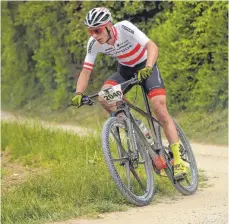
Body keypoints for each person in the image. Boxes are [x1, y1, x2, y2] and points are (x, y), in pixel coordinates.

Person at [72, 7, 186, 179]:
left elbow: (151, 46)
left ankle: (178, 159)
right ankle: (134, 124)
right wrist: (79, 92)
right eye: (91, 31)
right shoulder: (93, 43)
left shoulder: (124, 27)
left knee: (159, 109)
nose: (94, 35)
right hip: (125, 71)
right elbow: (86, 71)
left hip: (146, 67)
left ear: (109, 26)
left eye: (98, 30)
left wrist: (148, 67)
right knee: (104, 96)